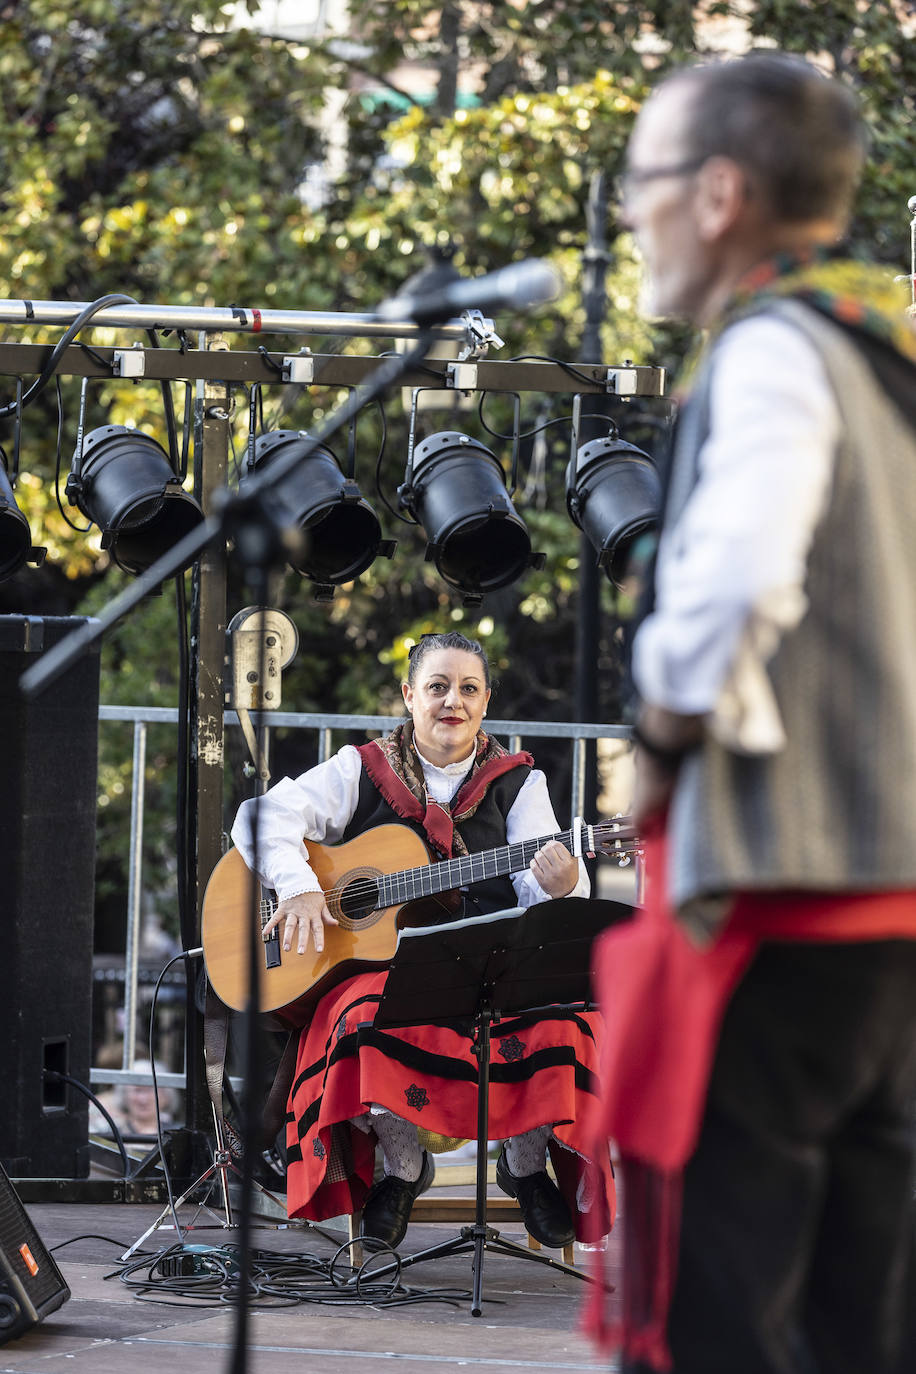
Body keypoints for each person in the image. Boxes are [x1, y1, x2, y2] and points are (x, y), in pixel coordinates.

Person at [587, 51, 916, 1374]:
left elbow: (734, 579)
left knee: (723, 1319)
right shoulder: (887, 347)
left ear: (719, 195)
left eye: (642, 181)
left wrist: (661, 739)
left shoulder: (778, 348)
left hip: (782, 906)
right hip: (893, 909)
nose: (631, 212)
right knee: (862, 1324)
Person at [231, 630, 614, 1251]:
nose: (452, 701)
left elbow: (543, 897)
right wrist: (299, 887)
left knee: (566, 1019)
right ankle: (403, 1168)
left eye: (468, 689)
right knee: (359, 1017)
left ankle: (523, 1167)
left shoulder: (518, 783)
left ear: (485, 701)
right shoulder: (363, 768)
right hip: (387, 968)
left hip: (491, 963)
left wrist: (563, 883)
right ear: (410, 696)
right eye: (438, 687)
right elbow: (260, 815)